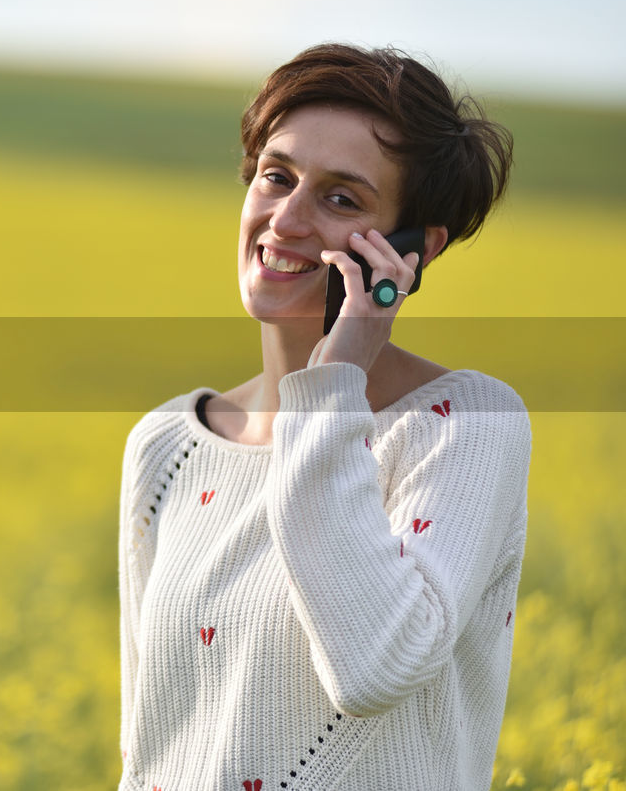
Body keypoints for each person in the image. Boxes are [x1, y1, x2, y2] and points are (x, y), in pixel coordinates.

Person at [117, 44, 528, 791]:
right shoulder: (167, 447)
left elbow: (374, 666)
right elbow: (147, 749)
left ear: (415, 249)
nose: (287, 219)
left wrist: (333, 381)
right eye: (277, 177)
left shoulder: (463, 425)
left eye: (342, 199)